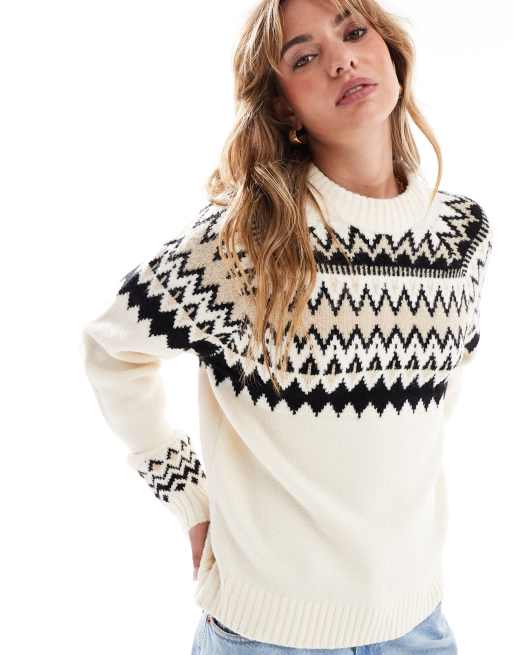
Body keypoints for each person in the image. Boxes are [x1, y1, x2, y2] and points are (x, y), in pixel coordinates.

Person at [81, 0, 492, 652]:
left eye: (353, 31)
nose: (341, 60)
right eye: (304, 57)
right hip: (269, 633)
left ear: (390, 51)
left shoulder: (461, 234)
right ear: (282, 107)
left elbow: (431, 410)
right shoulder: (248, 241)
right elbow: (112, 347)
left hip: (416, 621)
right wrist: (188, 497)